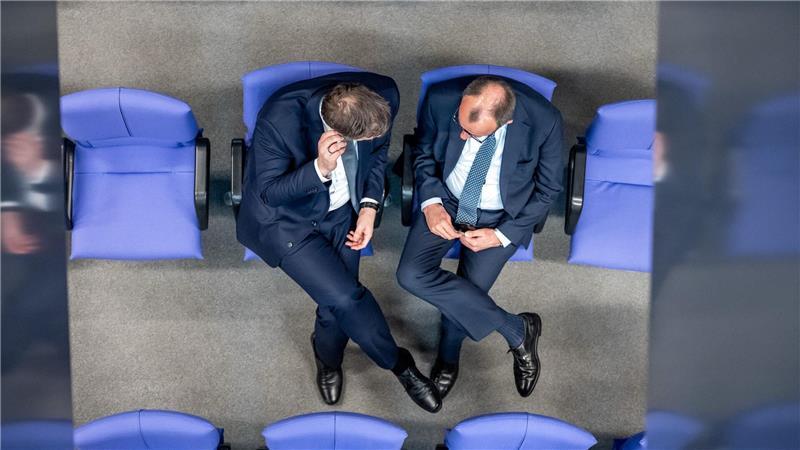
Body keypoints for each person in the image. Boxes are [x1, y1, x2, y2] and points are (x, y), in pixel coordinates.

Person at [236, 71, 441, 413]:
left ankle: (327, 357)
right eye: (367, 136)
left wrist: (369, 207)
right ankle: (400, 365)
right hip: (288, 223)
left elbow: (376, 157)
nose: (379, 138)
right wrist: (320, 167)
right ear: (338, 133)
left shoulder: (384, 94)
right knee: (347, 295)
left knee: (335, 303)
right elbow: (270, 194)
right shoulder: (279, 119)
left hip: (342, 212)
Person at [396, 75, 563, 399]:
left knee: (467, 295)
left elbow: (548, 191)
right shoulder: (440, 98)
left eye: (471, 134)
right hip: (447, 200)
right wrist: (430, 204)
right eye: (460, 124)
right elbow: (424, 154)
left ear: (507, 121)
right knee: (409, 274)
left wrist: (501, 235)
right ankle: (517, 329)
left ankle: (448, 359)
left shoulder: (546, 121)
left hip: (501, 216)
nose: (461, 134)